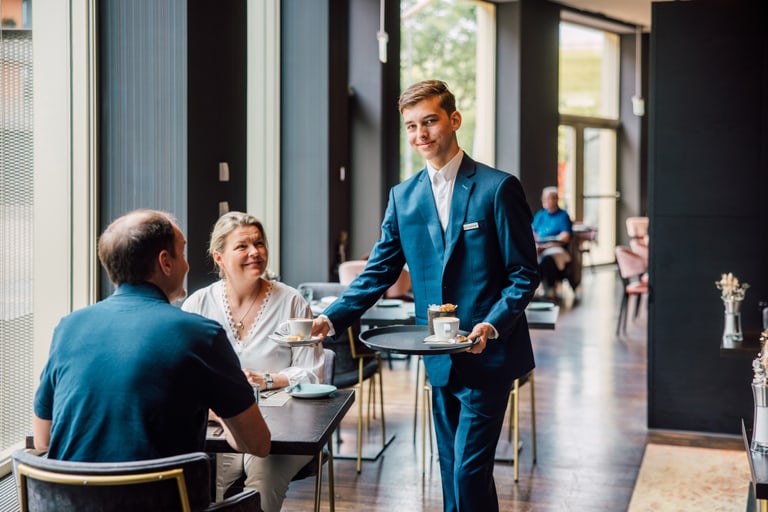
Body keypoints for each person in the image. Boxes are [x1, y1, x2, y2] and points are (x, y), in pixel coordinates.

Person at [312, 80, 539, 512]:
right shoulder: (404, 197)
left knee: (468, 472)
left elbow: (524, 272)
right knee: (452, 465)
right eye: (412, 126)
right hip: (435, 355)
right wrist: (332, 317)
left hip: (488, 353)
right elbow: (379, 269)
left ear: (453, 120)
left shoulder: (497, 188)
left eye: (430, 121)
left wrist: (493, 323)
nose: (421, 134)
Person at [32, 209, 270, 462]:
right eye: (183, 253)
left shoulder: (68, 327)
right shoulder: (201, 334)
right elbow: (257, 444)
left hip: (66, 499)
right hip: (162, 499)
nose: (188, 265)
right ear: (165, 262)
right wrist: (219, 413)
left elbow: (43, 439)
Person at [182, 211, 324, 511]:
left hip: (286, 428)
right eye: (242, 246)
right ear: (219, 258)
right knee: (211, 480)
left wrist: (269, 380)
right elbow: (183, 374)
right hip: (219, 423)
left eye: (259, 243)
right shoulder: (197, 305)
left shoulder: (291, 301)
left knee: (263, 474)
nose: (255, 253)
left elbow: (313, 373)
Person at [532, 186, 573, 299]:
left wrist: (546, 245)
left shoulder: (563, 216)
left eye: (549, 198)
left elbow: (565, 237)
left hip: (555, 247)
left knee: (548, 259)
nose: (545, 200)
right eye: (544, 198)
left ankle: (550, 288)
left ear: (555, 199)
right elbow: (533, 232)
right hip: (539, 246)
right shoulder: (540, 215)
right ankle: (532, 287)